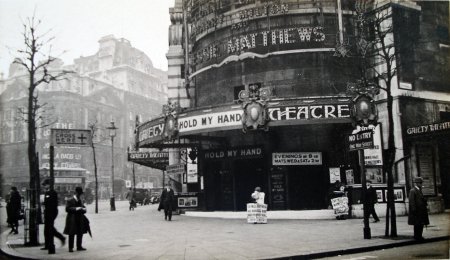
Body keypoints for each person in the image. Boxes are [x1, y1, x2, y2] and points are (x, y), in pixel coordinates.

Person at [41, 179, 66, 254]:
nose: (44, 186)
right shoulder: (47, 192)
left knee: (49, 228)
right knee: (47, 229)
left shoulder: (52, 192)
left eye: (45, 185)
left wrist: (45, 204)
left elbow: (52, 204)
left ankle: (60, 238)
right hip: (48, 212)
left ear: (49, 184)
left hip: (51, 212)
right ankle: (47, 245)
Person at [63, 187, 90, 252]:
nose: (80, 195)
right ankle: (70, 248)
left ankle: (79, 246)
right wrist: (76, 208)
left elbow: (83, 208)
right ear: (76, 193)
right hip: (72, 219)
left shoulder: (80, 200)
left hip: (80, 218)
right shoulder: (70, 200)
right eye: (80, 194)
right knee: (71, 233)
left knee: (80, 232)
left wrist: (84, 209)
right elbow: (67, 209)